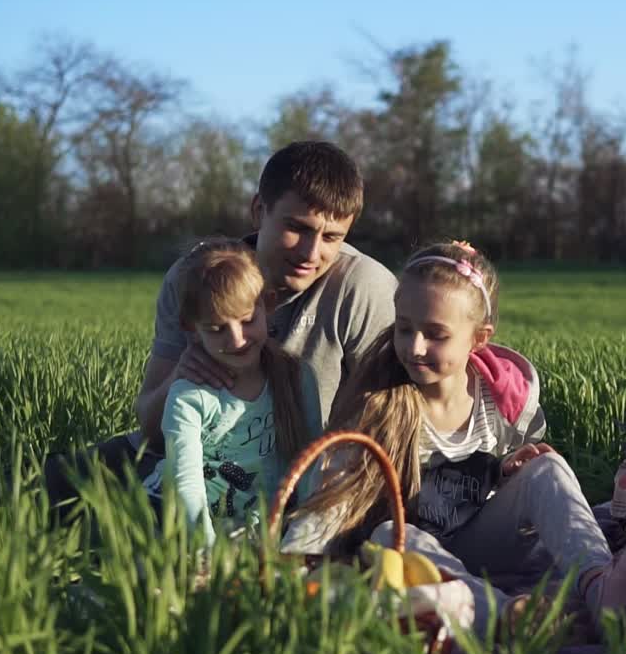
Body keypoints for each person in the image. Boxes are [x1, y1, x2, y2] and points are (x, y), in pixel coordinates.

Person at [281, 241, 626, 635]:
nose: (415, 347)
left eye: (436, 335)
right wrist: (292, 564)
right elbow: (334, 495)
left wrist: (506, 471)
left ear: (479, 338)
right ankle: (513, 617)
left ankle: (603, 590)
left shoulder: (498, 399)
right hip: (422, 559)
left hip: (488, 541)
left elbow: (506, 477)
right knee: (390, 534)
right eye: (404, 329)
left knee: (548, 467)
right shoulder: (381, 405)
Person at [44, 141, 396, 520]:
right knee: (34, 493)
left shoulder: (365, 288)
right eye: (297, 228)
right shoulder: (197, 277)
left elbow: (389, 428)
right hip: (183, 461)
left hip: (297, 478)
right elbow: (150, 427)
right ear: (259, 210)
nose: (312, 254)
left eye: (331, 238)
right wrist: (183, 374)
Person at [142, 238, 323, 543]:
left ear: (268, 303)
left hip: (252, 522)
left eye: (247, 321)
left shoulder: (297, 377)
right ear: (191, 328)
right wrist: (206, 553)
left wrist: (300, 536)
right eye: (216, 329)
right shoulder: (190, 395)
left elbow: (310, 462)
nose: (237, 339)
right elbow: (186, 481)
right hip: (177, 518)